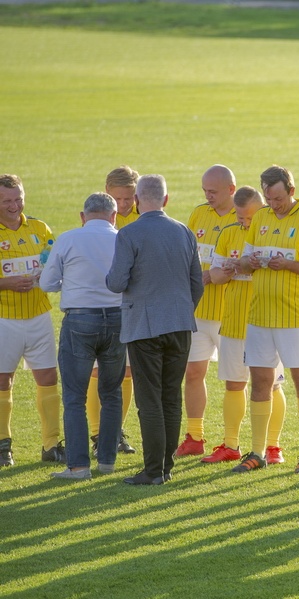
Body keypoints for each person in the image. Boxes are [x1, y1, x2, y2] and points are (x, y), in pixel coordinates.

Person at [107, 174, 203, 485]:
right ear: (166, 199)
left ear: (136, 200)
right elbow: (196, 284)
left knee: (149, 400)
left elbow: (117, 283)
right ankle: (166, 467)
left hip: (143, 327)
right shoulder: (185, 232)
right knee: (171, 397)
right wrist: (181, 310)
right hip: (180, 325)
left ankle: (152, 471)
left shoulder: (129, 233)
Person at [231, 166, 299, 474]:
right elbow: (243, 263)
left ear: (291, 191)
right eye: (269, 199)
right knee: (260, 382)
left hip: (295, 316)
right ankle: (257, 452)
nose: (274, 205)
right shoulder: (259, 218)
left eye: (278, 198)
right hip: (259, 315)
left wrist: (288, 264)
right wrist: (252, 262)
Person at [40, 193, 125, 479]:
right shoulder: (123, 238)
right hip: (117, 320)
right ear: (114, 216)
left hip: (79, 319)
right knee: (111, 393)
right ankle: (108, 461)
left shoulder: (69, 238)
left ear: (83, 215)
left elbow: (48, 282)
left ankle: (78, 466)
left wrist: (72, 281)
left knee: (74, 397)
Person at [201, 186, 287, 464]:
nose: (245, 223)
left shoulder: (274, 232)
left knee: (272, 385)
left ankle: (273, 447)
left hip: (269, 320)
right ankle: (231, 445)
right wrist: (224, 272)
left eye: (249, 218)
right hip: (235, 321)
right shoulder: (228, 234)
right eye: (240, 218)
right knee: (234, 384)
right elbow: (214, 275)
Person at [0, 174, 63, 467]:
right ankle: (3, 446)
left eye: (18, 198)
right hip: (5, 319)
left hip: (39, 316)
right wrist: (6, 283)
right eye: (7, 201)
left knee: (49, 378)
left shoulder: (39, 228)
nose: (15, 205)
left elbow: (55, 260)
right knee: (3, 381)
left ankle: (52, 444)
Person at [176, 165, 237, 457]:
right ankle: (195, 437)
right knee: (192, 372)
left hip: (231, 314)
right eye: (205, 191)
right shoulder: (198, 215)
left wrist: (213, 275)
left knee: (234, 380)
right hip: (199, 312)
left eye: (213, 192)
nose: (208, 196)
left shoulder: (244, 219)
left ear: (231, 190)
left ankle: (231, 441)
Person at [85, 165, 141, 458]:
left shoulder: (142, 219)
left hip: (130, 305)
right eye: (118, 199)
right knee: (99, 370)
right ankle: (97, 434)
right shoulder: (95, 217)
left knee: (127, 371)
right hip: (99, 304)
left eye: (129, 198)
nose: (123, 204)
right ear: (107, 193)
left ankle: (115, 431)